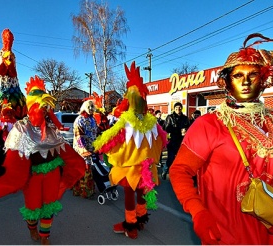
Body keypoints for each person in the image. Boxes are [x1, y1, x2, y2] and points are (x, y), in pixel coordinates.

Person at [169, 33, 273, 245]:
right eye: (238, 75)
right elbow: (180, 170)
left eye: (253, 74)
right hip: (221, 233)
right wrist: (197, 210)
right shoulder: (209, 124)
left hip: (266, 232)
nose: (245, 81)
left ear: (264, 79)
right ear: (227, 81)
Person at [0, 75, 85, 245]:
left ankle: (45, 236)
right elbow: (14, 157)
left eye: (45, 107)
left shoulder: (52, 130)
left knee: (49, 205)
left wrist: (77, 165)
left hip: (52, 172)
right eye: (39, 106)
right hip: (32, 175)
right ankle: (32, 228)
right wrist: (9, 179)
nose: (42, 110)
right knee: (32, 206)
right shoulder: (21, 128)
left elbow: (65, 151)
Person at [92, 62, 166, 239]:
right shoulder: (153, 123)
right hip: (145, 168)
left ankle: (131, 225)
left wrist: (99, 147)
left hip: (130, 169)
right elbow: (162, 142)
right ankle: (140, 219)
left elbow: (108, 141)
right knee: (141, 193)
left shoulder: (126, 122)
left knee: (129, 195)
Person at [72, 99, 98, 199]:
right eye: (89, 107)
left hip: (92, 149)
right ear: (84, 107)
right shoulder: (79, 120)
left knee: (90, 170)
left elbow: (96, 133)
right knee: (84, 170)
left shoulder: (93, 119)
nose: (91, 109)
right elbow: (78, 137)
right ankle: (82, 191)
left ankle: (89, 190)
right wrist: (84, 150)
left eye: (92, 107)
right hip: (82, 151)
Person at [162, 102, 190, 180]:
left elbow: (189, 127)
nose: (178, 109)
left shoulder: (185, 118)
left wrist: (186, 130)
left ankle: (179, 174)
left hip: (182, 142)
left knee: (181, 159)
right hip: (172, 141)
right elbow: (166, 128)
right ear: (174, 109)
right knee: (170, 158)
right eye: (176, 108)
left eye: (179, 108)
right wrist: (178, 130)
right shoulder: (170, 117)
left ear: (182, 108)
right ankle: (165, 170)